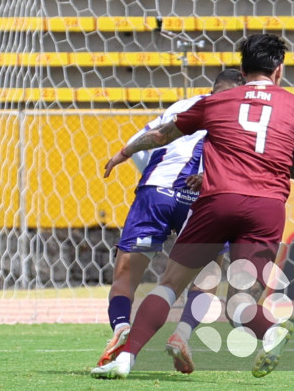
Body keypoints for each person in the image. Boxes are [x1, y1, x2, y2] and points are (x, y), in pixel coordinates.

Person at [92, 34, 294, 379]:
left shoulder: (218, 101)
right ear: (279, 70)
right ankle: (273, 330)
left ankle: (125, 360)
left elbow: (161, 135)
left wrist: (124, 153)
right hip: (267, 208)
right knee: (240, 305)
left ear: (243, 70)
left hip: (218, 201)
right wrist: (265, 159)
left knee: (169, 284)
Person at [97, 68, 245, 374]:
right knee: (209, 272)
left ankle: (121, 326)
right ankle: (183, 334)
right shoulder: (244, 114)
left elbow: (142, 142)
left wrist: (146, 173)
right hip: (202, 197)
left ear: (214, 88)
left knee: (125, 274)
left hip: (156, 192)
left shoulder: (185, 105)